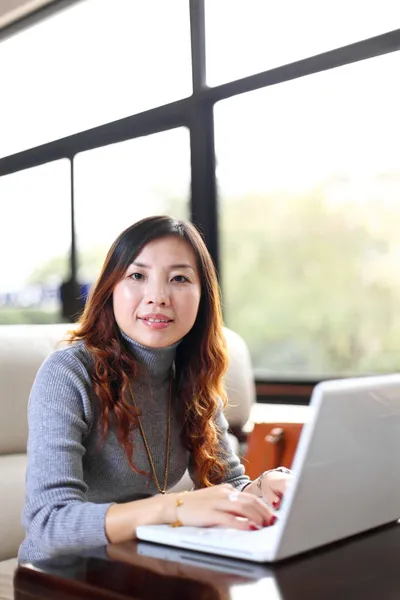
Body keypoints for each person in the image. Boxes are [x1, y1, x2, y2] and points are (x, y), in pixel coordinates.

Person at [19, 216, 291, 563]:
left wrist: (267, 488)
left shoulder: (192, 375)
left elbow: (230, 485)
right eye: (137, 276)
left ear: (202, 296)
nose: (158, 297)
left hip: (141, 567)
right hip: (60, 578)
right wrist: (174, 507)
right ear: (111, 289)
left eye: (179, 278)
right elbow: (48, 524)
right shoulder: (68, 373)